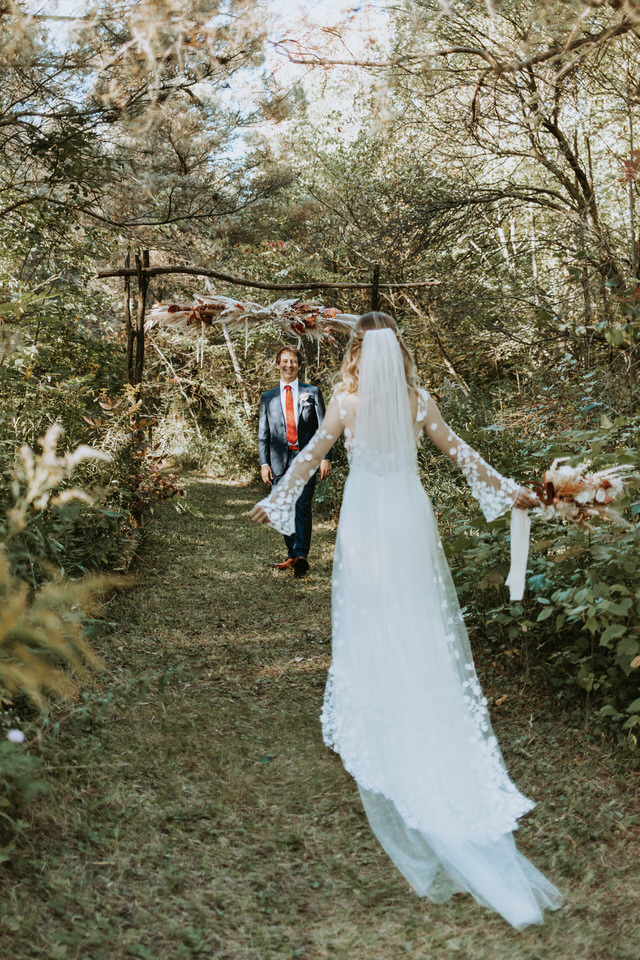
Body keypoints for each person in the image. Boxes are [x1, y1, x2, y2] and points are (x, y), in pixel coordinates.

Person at [249, 313, 563, 929]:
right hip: (410, 515)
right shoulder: (420, 401)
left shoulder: (345, 402)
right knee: (416, 612)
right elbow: (460, 453)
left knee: (370, 611)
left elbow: (310, 458)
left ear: (359, 356)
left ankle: (382, 705)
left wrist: (276, 500)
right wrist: (508, 489)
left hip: (368, 518)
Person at [258, 345, 332, 577]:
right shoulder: (267, 397)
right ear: (278, 365)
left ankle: (301, 556)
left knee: (301, 506)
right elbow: (264, 433)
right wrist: (264, 463)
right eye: (284, 361)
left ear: (299, 366)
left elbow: (324, 428)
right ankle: (292, 554)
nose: (289, 365)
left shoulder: (313, 392)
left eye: (293, 361)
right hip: (279, 460)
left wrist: (325, 458)